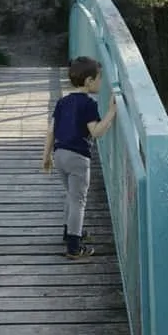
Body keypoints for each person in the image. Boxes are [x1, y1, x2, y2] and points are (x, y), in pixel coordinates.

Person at [41, 56, 117, 260]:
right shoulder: (88, 104)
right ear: (89, 81)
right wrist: (111, 113)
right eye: (99, 79)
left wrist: (45, 156)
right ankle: (74, 246)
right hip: (78, 157)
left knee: (71, 195)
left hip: (59, 155)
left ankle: (69, 231)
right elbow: (97, 131)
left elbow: (51, 131)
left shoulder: (62, 102)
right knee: (78, 200)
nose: (100, 83)